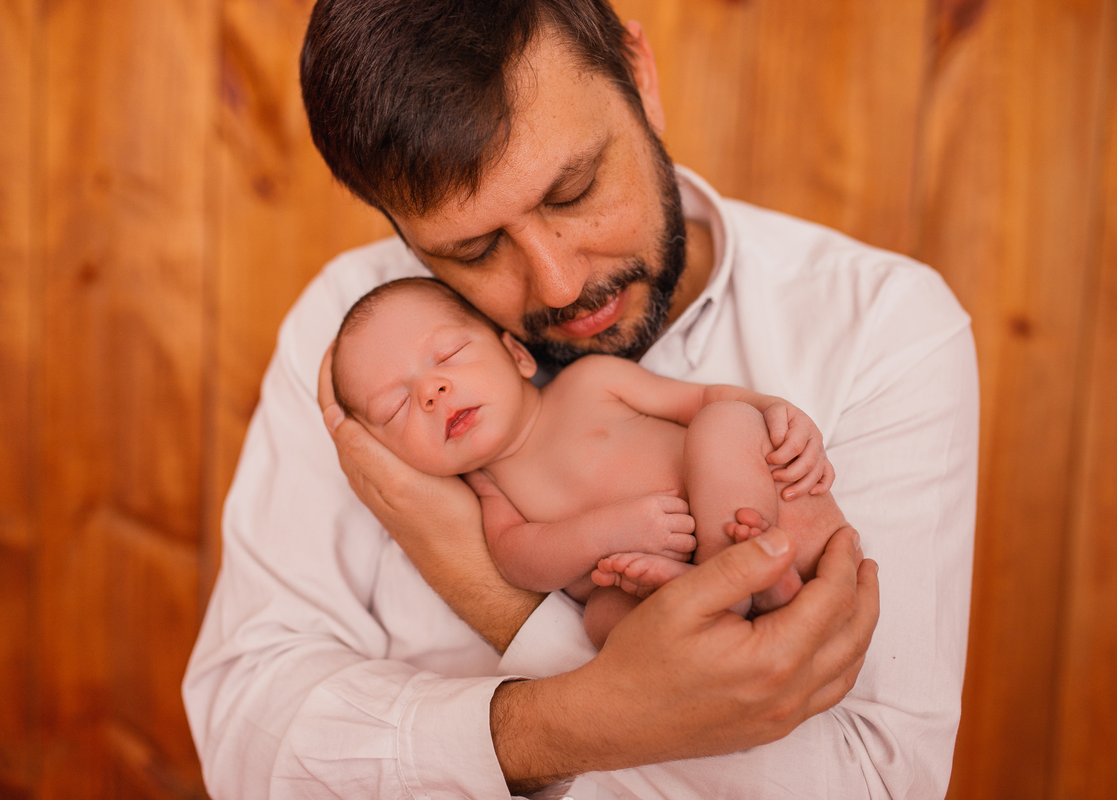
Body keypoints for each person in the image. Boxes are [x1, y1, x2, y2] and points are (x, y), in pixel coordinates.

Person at [183, 1, 978, 797]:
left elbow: (870, 784)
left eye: (574, 189)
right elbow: (245, 735)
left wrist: (494, 600)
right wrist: (580, 713)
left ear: (639, 76)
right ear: (398, 231)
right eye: (473, 248)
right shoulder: (353, 338)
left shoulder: (882, 327)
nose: (559, 282)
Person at [328, 276, 847, 646]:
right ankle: (750, 595)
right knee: (601, 617)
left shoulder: (591, 381)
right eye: (397, 407)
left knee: (724, 422)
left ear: (518, 355)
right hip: (682, 609)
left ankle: (729, 577)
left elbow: (704, 397)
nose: (432, 393)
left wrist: (778, 414)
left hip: (767, 515)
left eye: (446, 357)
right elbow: (518, 560)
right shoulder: (487, 485)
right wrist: (609, 531)